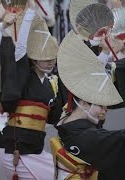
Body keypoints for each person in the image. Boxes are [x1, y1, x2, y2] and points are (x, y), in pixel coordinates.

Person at [0, 2, 67, 179]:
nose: (50, 62)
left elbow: (54, 118)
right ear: (34, 59)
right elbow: (20, 50)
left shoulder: (52, 83)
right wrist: (28, 16)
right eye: (45, 58)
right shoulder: (24, 77)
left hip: (35, 149)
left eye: (52, 58)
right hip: (16, 150)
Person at [51, 31, 125, 180]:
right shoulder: (84, 137)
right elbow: (118, 140)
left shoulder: (68, 119)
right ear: (85, 102)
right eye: (101, 105)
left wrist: (105, 51)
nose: (105, 110)